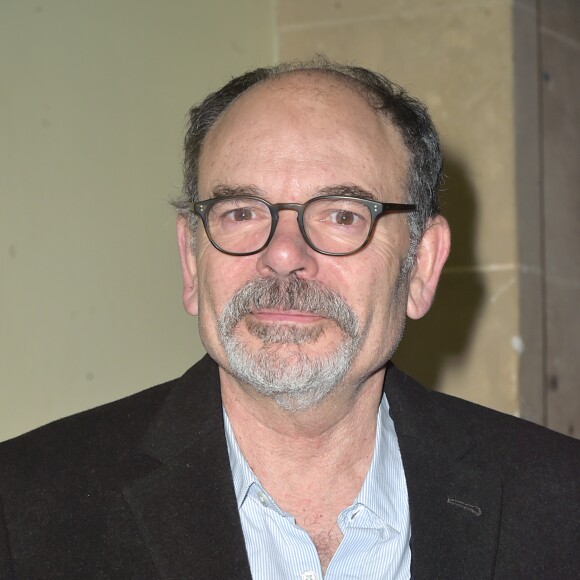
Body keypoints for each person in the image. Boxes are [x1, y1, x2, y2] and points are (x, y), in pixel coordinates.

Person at [0, 58, 578, 580]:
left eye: (342, 215)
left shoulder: (558, 504)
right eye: (242, 212)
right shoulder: (25, 509)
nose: (281, 253)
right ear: (191, 261)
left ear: (421, 267)